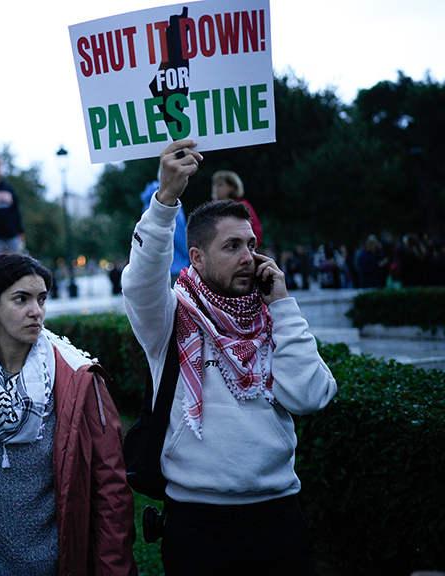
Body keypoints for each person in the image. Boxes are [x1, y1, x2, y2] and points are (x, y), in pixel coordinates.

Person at [122, 139, 337, 576]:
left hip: (278, 519)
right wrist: (165, 200)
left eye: (251, 244)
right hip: (197, 526)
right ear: (197, 258)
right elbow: (141, 280)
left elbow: (312, 396)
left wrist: (282, 305)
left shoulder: (274, 316)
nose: (249, 257)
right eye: (232, 246)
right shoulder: (169, 319)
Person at [0, 252, 137, 575]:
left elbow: (111, 494)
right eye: (21, 299)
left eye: (42, 299)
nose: (37, 312)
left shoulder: (77, 381)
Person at [143, 179, 189, 283]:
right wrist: (189, 253)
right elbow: (179, 235)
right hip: (175, 265)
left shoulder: (148, 204)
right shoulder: (170, 202)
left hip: (155, 267)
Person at [211, 169, 263, 247]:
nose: (216, 188)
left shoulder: (241, 206)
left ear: (232, 187)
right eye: (214, 185)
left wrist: (248, 249)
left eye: (220, 184)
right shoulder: (212, 208)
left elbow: (256, 231)